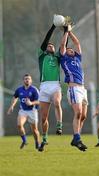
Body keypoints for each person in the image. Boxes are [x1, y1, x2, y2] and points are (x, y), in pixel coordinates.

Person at [60, 26, 88, 151]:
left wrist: (70, 31)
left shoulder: (77, 57)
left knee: (83, 116)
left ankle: (75, 138)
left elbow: (77, 43)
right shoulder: (64, 58)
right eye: (68, 49)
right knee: (78, 113)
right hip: (74, 89)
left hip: (83, 89)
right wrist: (65, 32)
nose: (71, 50)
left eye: (72, 50)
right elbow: (62, 45)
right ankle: (77, 138)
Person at [38, 24, 62, 152]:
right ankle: (45, 137)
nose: (50, 46)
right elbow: (46, 39)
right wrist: (53, 27)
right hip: (44, 86)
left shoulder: (58, 57)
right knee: (43, 118)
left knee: (57, 102)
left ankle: (59, 125)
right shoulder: (42, 56)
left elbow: (64, 45)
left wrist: (66, 31)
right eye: (48, 46)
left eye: (52, 46)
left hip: (55, 85)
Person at [7, 74, 40, 149]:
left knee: (34, 130)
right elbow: (15, 97)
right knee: (19, 125)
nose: (27, 80)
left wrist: (31, 103)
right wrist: (12, 106)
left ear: (31, 81)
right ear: (23, 80)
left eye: (28, 79)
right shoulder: (19, 89)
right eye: (25, 79)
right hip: (23, 111)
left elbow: (39, 101)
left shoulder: (34, 90)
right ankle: (25, 141)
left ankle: (37, 143)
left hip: (32, 111)